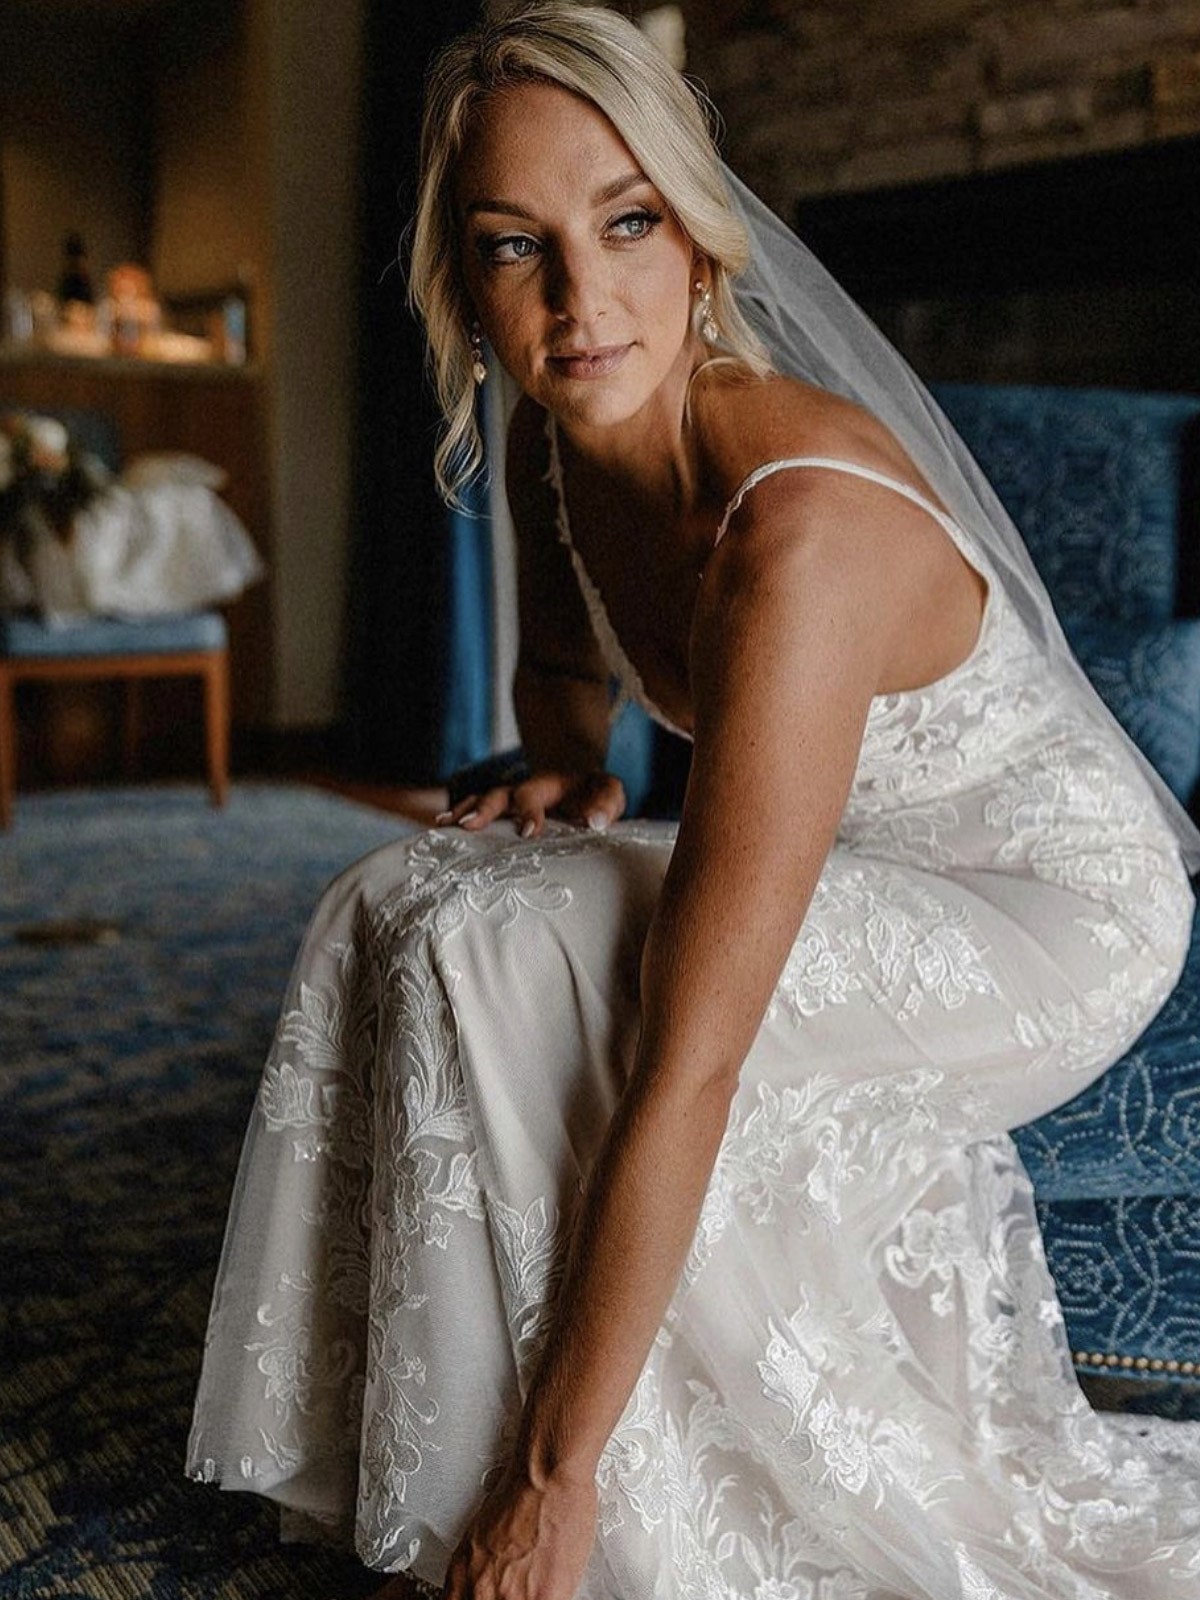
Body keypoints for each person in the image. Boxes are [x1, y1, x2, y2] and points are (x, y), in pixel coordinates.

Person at [187, 6, 1200, 1597]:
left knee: (535, 965)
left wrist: (556, 1477)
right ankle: (398, 1449)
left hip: (1047, 912)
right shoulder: (557, 431)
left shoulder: (798, 541)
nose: (583, 301)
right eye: (517, 247)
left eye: (629, 224)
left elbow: (698, 1052)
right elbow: (565, 674)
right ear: (466, 285)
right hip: (865, 861)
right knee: (406, 899)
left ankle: (555, 1492)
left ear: (703, 245)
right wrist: (565, 762)